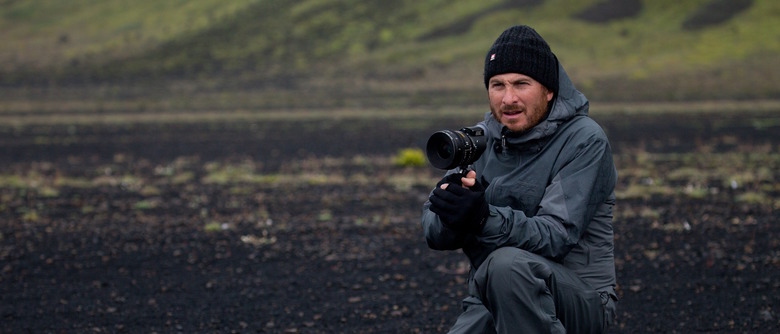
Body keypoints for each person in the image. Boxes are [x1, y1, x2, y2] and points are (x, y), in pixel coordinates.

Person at [421, 25, 618, 333]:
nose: (508, 98)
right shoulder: (479, 140)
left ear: (549, 89)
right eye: (497, 85)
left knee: (507, 268)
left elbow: (557, 236)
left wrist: (483, 218)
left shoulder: (584, 140)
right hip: (490, 298)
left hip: (578, 298)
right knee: (501, 276)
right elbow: (433, 233)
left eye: (521, 84)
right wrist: (451, 212)